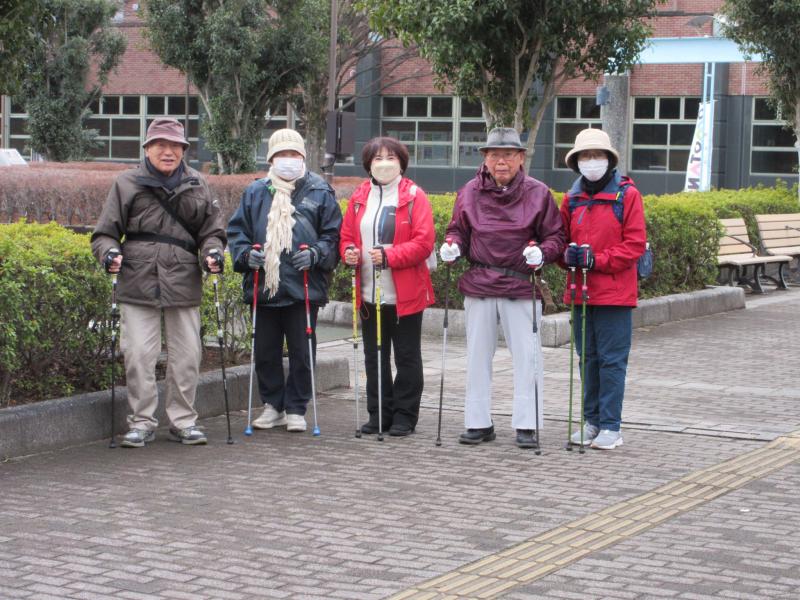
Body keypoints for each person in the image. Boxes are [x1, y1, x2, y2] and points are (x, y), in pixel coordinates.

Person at [91, 117, 226, 448]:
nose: (168, 152)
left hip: (183, 279)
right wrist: (109, 253)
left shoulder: (198, 183)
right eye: (161, 145)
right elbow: (105, 233)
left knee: (188, 356)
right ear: (147, 148)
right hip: (137, 279)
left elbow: (212, 232)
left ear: (184, 150)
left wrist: (213, 253)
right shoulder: (126, 183)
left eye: (175, 146)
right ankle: (141, 422)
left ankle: (183, 421)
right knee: (138, 354)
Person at [440, 127, 565, 448]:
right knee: (476, 357)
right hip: (480, 283)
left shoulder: (538, 193)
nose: (501, 161)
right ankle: (478, 422)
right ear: (485, 158)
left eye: (508, 154)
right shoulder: (469, 192)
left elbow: (556, 236)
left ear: (521, 158)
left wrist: (543, 253)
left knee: (528, 358)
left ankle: (527, 424)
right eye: (494, 154)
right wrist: (452, 245)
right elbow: (458, 230)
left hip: (520, 285)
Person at [227, 128, 341, 433]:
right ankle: (273, 405)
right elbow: (237, 232)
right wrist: (246, 255)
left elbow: (333, 235)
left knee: (302, 352)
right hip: (264, 284)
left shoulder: (320, 190)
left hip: (303, 285)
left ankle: (296, 407)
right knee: (265, 351)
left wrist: (316, 254)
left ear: (302, 157)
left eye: (293, 154)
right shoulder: (256, 191)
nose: (287, 160)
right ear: (271, 159)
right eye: (281, 154)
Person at [339, 137, 435, 437]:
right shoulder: (359, 197)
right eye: (377, 158)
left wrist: (390, 256)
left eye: (391, 157)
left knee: (406, 357)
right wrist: (349, 252)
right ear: (368, 164)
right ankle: (379, 413)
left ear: (401, 163)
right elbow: (346, 236)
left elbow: (424, 242)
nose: (384, 163)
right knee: (375, 357)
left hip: (405, 295)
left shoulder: (415, 196)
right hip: (369, 294)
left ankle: (405, 416)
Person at [560, 128, 646, 450]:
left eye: (597, 155)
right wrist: (564, 255)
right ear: (577, 162)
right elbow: (559, 240)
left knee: (611, 361)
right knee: (587, 359)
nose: (591, 161)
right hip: (580, 292)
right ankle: (591, 421)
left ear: (609, 159)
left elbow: (634, 245)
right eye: (585, 156)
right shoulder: (571, 199)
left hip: (615, 294)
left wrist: (597, 259)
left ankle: (611, 425)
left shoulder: (627, 195)